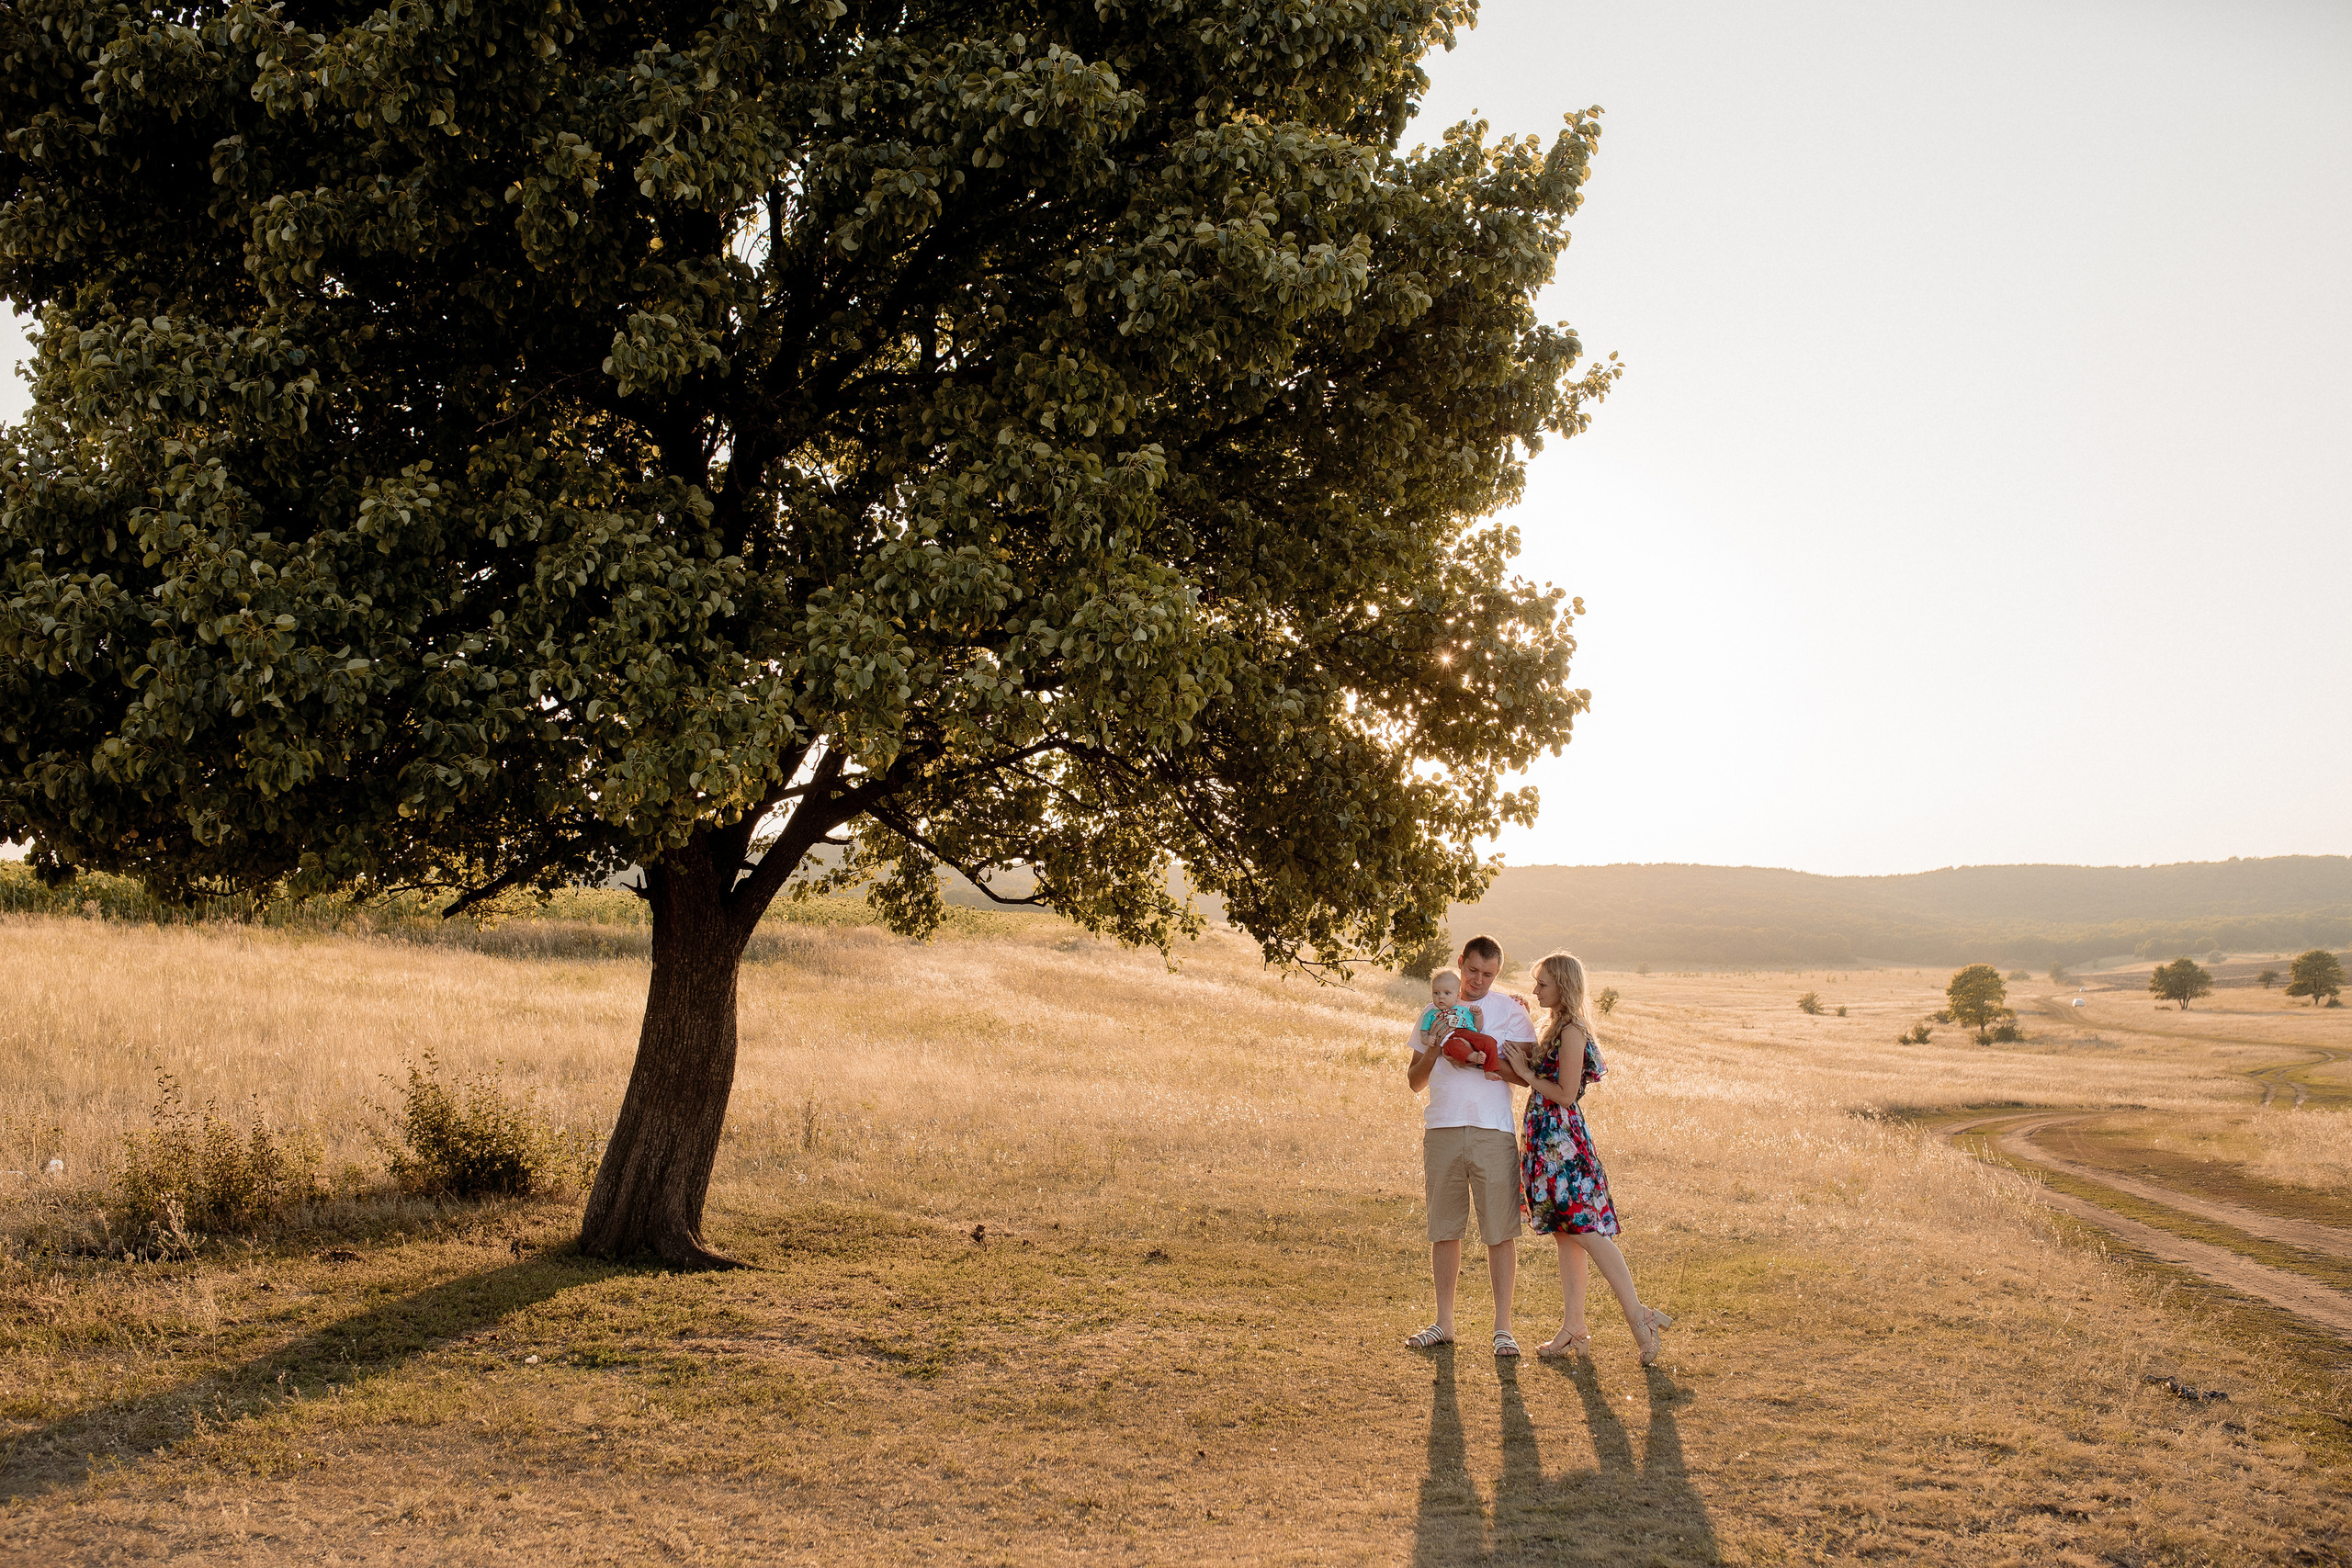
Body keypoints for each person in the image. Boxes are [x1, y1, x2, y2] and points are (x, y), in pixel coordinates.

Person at [1500, 951, 1673, 1366]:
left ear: (1563, 985)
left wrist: (1524, 1073)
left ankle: (1639, 1317)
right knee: (1567, 1232)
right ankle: (1574, 1327)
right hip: (1547, 1139)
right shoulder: (1554, 1025)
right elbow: (1539, 1075)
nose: (1536, 989)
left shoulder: (1573, 1030)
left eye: (1542, 984)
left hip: (1563, 1144)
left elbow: (1564, 1093)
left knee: (1587, 1231)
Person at [1405, 935, 1538, 1357]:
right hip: (1442, 1127)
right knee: (1444, 1228)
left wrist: (1486, 1064)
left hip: (1493, 1130)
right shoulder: (1432, 1010)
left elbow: (1528, 1074)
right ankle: (1444, 1323)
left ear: (1497, 974)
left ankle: (1503, 1329)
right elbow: (1414, 1081)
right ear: (1460, 963)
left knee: (1500, 1230)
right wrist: (1436, 1049)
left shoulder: (1511, 1010)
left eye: (1489, 974)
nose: (1479, 980)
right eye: (1473, 970)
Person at [1418, 969, 1498, 1079]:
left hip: (1468, 1034)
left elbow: (1477, 1028)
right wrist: (1427, 1039)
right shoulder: (1430, 1015)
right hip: (1449, 1038)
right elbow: (1423, 1031)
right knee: (1452, 1046)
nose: (1441, 997)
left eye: (1447, 993)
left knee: (1489, 1041)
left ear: (1458, 995)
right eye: (1436, 993)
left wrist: (1478, 1015)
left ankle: (1489, 1070)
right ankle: (1474, 1057)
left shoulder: (1464, 1011)